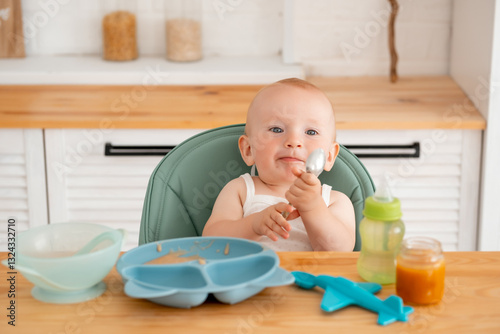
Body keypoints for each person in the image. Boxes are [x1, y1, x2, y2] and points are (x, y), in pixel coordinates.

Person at [202, 78, 355, 251]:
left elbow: (341, 253)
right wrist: (253, 225)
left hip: (310, 277)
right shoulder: (240, 190)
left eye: (311, 132)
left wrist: (314, 208)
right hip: (251, 277)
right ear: (248, 150)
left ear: (329, 156)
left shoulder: (334, 201)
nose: (293, 141)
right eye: (276, 129)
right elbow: (211, 243)